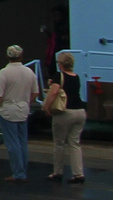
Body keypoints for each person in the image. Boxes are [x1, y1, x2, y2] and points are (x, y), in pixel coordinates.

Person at [0, 44, 39, 182]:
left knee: (12, 143)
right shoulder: (29, 72)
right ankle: (22, 169)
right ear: (21, 56)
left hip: (7, 109)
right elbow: (35, 92)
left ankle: (18, 172)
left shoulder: (4, 73)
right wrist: (27, 102)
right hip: (23, 109)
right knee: (22, 142)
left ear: (8, 56)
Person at [46, 50, 87, 184]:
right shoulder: (76, 76)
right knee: (74, 143)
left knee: (59, 143)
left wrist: (46, 107)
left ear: (61, 64)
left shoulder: (59, 76)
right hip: (80, 111)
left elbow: (54, 92)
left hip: (65, 112)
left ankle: (57, 172)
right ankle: (78, 173)